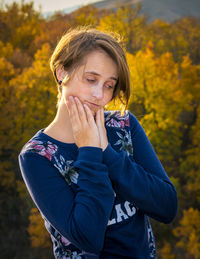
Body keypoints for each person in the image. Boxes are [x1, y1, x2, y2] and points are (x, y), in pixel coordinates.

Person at [18, 27, 178, 259]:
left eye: (109, 85)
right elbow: (88, 238)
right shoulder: (37, 155)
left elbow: (167, 207)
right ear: (61, 72)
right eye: (91, 79)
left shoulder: (124, 126)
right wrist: (91, 152)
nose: (100, 96)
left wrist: (109, 154)